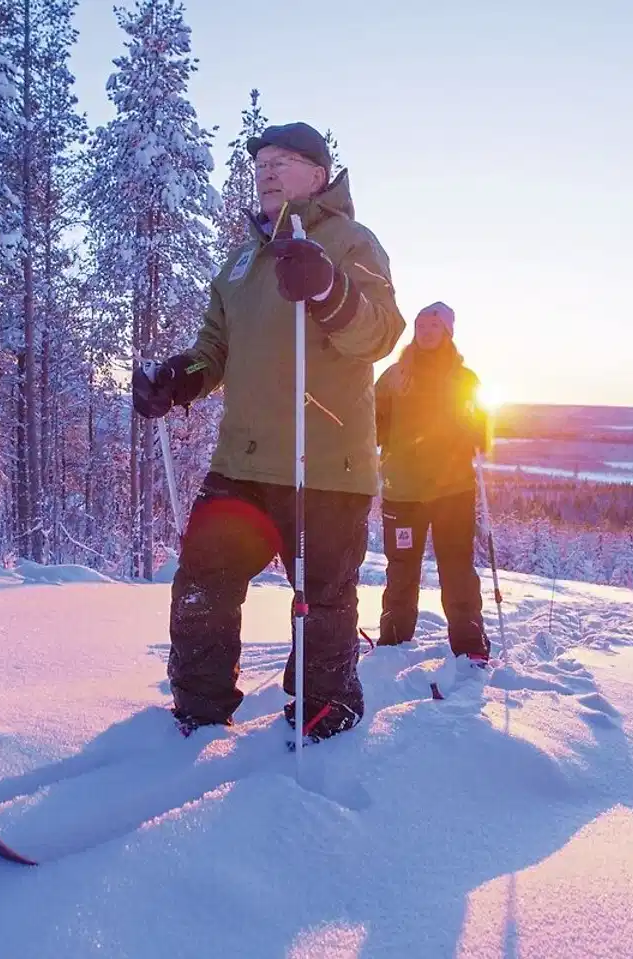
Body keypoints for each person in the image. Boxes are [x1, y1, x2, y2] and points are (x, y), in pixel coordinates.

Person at [132, 122, 406, 742]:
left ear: (319, 174)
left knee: (323, 600)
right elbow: (214, 350)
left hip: (327, 465)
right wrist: (178, 378)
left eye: (284, 161)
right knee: (203, 579)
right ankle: (198, 711)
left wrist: (330, 290)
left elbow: (382, 334)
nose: (267, 170)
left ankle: (324, 709)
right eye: (260, 161)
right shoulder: (240, 261)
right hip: (243, 462)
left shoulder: (352, 243)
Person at [373, 302, 491, 663]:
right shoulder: (394, 376)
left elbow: (482, 433)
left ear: (448, 332)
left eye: (434, 326)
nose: (425, 331)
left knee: (456, 566)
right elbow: (373, 424)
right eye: (421, 325)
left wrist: (474, 430)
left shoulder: (465, 380)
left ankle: (469, 644)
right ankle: (393, 639)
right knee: (401, 567)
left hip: (452, 490)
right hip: (402, 489)